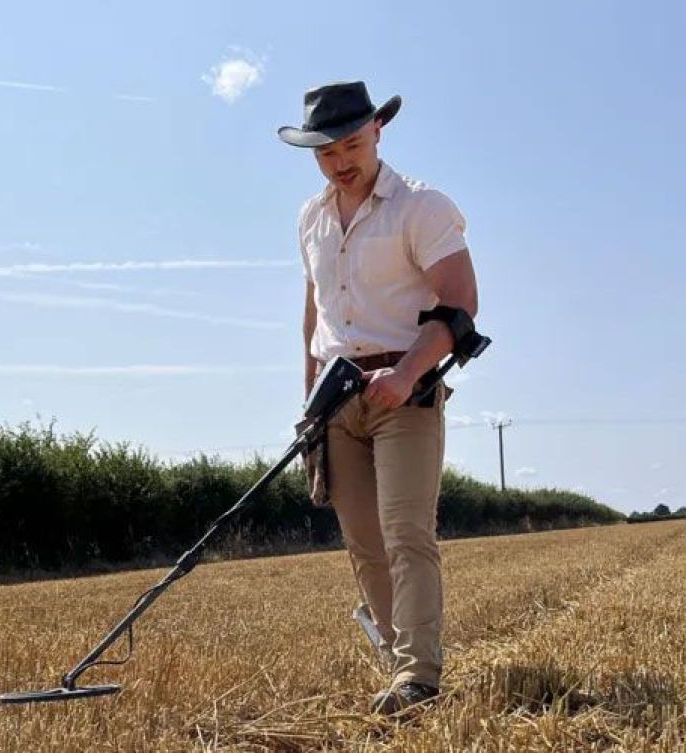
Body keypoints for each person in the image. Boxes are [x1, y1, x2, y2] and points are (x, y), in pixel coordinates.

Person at [278, 81, 480, 715]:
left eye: (352, 144)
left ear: (378, 134)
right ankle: (398, 664)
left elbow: (459, 305)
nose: (341, 160)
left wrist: (406, 374)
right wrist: (309, 400)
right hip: (336, 399)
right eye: (326, 151)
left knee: (405, 533)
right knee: (363, 541)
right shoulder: (309, 218)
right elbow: (315, 318)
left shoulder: (422, 207)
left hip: (406, 391)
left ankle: (419, 675)